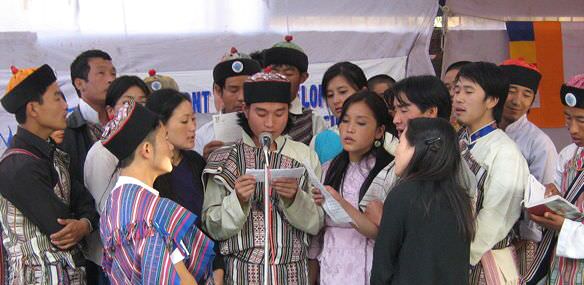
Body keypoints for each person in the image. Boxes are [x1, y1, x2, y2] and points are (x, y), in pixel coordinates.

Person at [202, 70, 324, 284]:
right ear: (245, 110)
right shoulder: (225, 158)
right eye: (261, 113)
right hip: (241, 274)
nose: (270, 123)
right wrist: (237, 200)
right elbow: (211, 227)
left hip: (293, 274)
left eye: (280, 113)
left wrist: (295, 199)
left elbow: (317, 223)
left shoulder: (304, 156)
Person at [0, 64, 99, 284]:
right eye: (57, 98)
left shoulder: (53, 155)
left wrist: (84, 224)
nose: (65, 105)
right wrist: (83, 223)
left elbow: (85, 202)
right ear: (33, 109)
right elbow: (61, 230)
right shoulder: (18, 166)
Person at [99, 101, 215, 284]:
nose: (170, 147)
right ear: (146, 149)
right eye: (165, 139)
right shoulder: (151, 213)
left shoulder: (113, 204)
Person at [370, 117, 475, 285]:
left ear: (417, 149)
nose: (397, 150)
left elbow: (383, 267)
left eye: (402, 143)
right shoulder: (460, 198)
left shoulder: (402, 195)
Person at [453, 62, 529, 284]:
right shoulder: (459, 141)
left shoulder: (506, 152)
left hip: (484, 260)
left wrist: (460, 255)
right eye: (457, 90)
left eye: (468, 91)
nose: (458, 98)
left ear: (492, 100)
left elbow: (496, 216)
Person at [313, 91, 394, 284]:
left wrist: (341, 204)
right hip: (331, 268)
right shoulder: (327, 170)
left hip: (370, 269)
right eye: (345, 121)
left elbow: (383, 234)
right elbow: (316, 232)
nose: (349, 129)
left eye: (360, 123)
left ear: (379, 131)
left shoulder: (389, 172)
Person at [82, 75, 150, 283]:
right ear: (111, 111)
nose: (137, 109)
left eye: (143, 103)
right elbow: (106, 211)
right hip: (111, 260)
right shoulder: (102, 152)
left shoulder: (148, 147)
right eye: (128, 102)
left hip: (143, 256)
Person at [525, 74, 584, 285]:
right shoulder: (569, 155)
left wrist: (564, 227)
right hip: (561, 265)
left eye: (581, 120)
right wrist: (551, 198)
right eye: (568, 117)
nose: (573, 128)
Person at [62, 49, 116, 187]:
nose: (111, 79)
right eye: (101, 73)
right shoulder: (67, 131)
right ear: (79, 83)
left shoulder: (124, 122)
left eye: (113, 73)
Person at [195, 47, 261, 159]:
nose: (241, 97)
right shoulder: (202, 136)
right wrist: (203, 162)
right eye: (233, 90)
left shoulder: (269, 128)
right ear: (218, 90)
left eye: (247, 89)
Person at [499, 59, 558, 184]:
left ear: (532, 101)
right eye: (511, 91)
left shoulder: (540, 144)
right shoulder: (481, 130)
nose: (517, 101)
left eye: (526, 95)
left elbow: (544, 195)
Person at [264, 35, 327, 145]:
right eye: (275, 72)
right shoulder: (253, 116)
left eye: (288, 73)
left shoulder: (314, 122)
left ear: (303, 78)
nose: (281, 78)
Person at [311, 61, 368, 164]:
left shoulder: (383, 135)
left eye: (342, 92)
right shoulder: (320, 141)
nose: (336, 100)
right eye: (330, 95)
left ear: (363, 92)